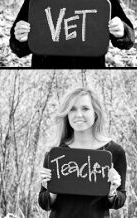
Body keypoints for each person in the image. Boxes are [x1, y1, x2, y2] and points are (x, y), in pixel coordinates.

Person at [39, 87, 126, 217]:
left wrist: (112, 190)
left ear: (95, 112)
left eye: (85, 108)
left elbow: (118, 201)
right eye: (72, 109)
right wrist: (51, 189)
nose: (78, 115)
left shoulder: (114, 151)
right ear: (67, 114)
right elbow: (44, 203)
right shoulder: (56, 153)